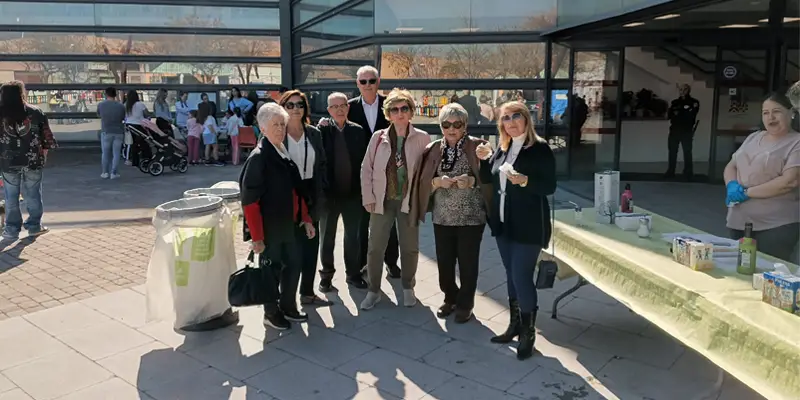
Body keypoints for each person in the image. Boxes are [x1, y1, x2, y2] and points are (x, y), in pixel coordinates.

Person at [476, 101, 556, 360]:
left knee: (521, 276)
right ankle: (515, 325)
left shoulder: (539, 148)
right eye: (505, 118)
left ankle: (528, 333)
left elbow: (549, 186)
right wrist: (483, 160)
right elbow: (488, 178)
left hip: (528, 225)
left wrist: (525, 181)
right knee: (511, 275)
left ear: (526, 119)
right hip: (503, 223)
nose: (510, 122)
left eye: (515, 116)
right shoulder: (503, 147)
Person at [409, 103, 492, 323]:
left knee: (467, 263)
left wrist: (472, 181)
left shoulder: (479, 146)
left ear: (465, 125)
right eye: (446, 124)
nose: (452, 129)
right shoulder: (434, 148)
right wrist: (437, 182)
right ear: (441, 126)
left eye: (457, 124)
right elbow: (423, 181)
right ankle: (450, 298)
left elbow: (491, 177)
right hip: (442, 216)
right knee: (445, 263)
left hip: (471, 216)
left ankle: (465, 304)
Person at [240, 103, 316, 330]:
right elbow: (250, 202)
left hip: (289, 225)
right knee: (270, 272)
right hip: (270, 229)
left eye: (283, 124)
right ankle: (271, 313)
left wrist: (306, 219)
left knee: (293, 266)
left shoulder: (282, 152)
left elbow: (296, 192)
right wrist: (257, 238)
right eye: (275, 125)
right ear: (262, 128)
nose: (281, 129)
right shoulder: (259, 157)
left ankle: (288, 307)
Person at [360, 88, 431, 310]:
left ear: (411, 111)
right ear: (388, 113)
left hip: (408, 201)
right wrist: (368, 196)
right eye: (394, 109)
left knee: (410, 247)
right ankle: (373, 291)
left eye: (404, 108)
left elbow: (428, 173)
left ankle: (408, 287)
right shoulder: (377, 137)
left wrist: (423, 200)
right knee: (375, 248)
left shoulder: (422, 138)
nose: (400, 113)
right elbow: (366, 168)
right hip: (381, 200)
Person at [724, 92, 800, 263]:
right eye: (765, 113)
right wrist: (732, 185)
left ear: (792, 113)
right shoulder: (754, 137)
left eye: (776, 111)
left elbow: (790, 181)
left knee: (769, 272)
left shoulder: (797, 142)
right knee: (738, 272)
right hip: (739, 221)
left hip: (776, 226)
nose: (770, 117)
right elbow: (732, 165)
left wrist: (747, 193)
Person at [347, 65, 401, 279]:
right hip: (360, 174)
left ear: (378, 82)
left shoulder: (391, 106)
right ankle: (363, 264)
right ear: (357, 84)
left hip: (387, 173)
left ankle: (391, 262)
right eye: (363, 81)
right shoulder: (349, 108)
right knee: (361, 223)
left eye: (371, 81)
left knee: (389, 221)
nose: (367, 85)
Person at [279, 90, 330, 306]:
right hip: (287, 195)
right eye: (290, 105)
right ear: (282, 108)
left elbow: (322, 163)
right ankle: (286, 299)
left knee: (311, 245)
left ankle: (307, 292)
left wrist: (323, 189)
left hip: (312, 192)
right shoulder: (277, 133)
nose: (295, 109)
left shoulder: (313, 133)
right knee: (290, 250)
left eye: (299, 105)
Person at [317, 92, 368, 290]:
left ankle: (353, 274)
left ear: (348, 107)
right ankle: (326, 276)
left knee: (353, 236)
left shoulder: (357, 131)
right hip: (329, 195)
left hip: (352, 194)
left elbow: (364, 163)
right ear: (328, 110)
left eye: (342, 105)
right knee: (326, 238)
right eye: (334, 106)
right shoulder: (321, 131)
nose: (339, 109)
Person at [0, 80, 57, 240]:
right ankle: (34, 226)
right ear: (21, 93)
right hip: (33, 160)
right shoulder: (35, 112)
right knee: (33, 194)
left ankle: (11, 230)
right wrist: (43, 155)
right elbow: (46, 138)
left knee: (11, 196)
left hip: (8, 162)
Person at [665, 84, 700, 180]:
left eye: (685, 89)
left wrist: (680, 113)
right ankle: (671, 171)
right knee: (672, 151)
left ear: (688, 90)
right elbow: (670, 115)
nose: (682, 91)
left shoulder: (694, 102)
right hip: (675, 130)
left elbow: (691, 115)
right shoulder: (675, 102)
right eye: (681, 89)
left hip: (686, 130)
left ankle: (688, 172)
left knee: (687, 152)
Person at [97, 87, 125, 179]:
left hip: (106, 131)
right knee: (116, 153)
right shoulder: (121, 106)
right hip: (118, 132)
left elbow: (99, 115)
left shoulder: (101, 105)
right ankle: (114, 173)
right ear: (115, 94)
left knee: (105, 153)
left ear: (106, 94)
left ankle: (105, 172)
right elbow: (123, 117)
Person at [124, 90, 151, 168]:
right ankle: (147, 158)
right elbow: (147, 114)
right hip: (139, 126)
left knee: (132, 143)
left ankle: (134, 161)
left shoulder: (126, 105)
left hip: (129, 126)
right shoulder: (140, 104)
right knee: (144, 143)